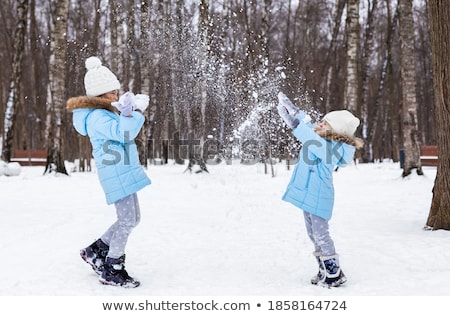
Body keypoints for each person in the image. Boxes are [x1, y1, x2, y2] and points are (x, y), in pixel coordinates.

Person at [67, 56, 151, 288]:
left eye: (116, 92)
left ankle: (96, 250)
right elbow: (124, 134)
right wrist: (133, 112)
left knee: (133, 218)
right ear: (101, 95)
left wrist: (129, 112)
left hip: (122, 170)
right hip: (115, 173)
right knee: (126, 220)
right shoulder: (96, 117)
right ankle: (112, 266)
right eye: (112, 93)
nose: (116, 96)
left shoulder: (106, 113)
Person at [277, 92, 363, 288]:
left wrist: (299, 116)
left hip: (319, 197)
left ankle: (335, 273)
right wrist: (294, 122)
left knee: (321, 234)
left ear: (337, 131)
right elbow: (309, 137)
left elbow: (312, 140)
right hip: (310, 196)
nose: (321, 124)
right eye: (322, 121)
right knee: (313, 234)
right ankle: (324, 269)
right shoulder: (321, 141)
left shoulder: (333, 148)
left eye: (326, 123)